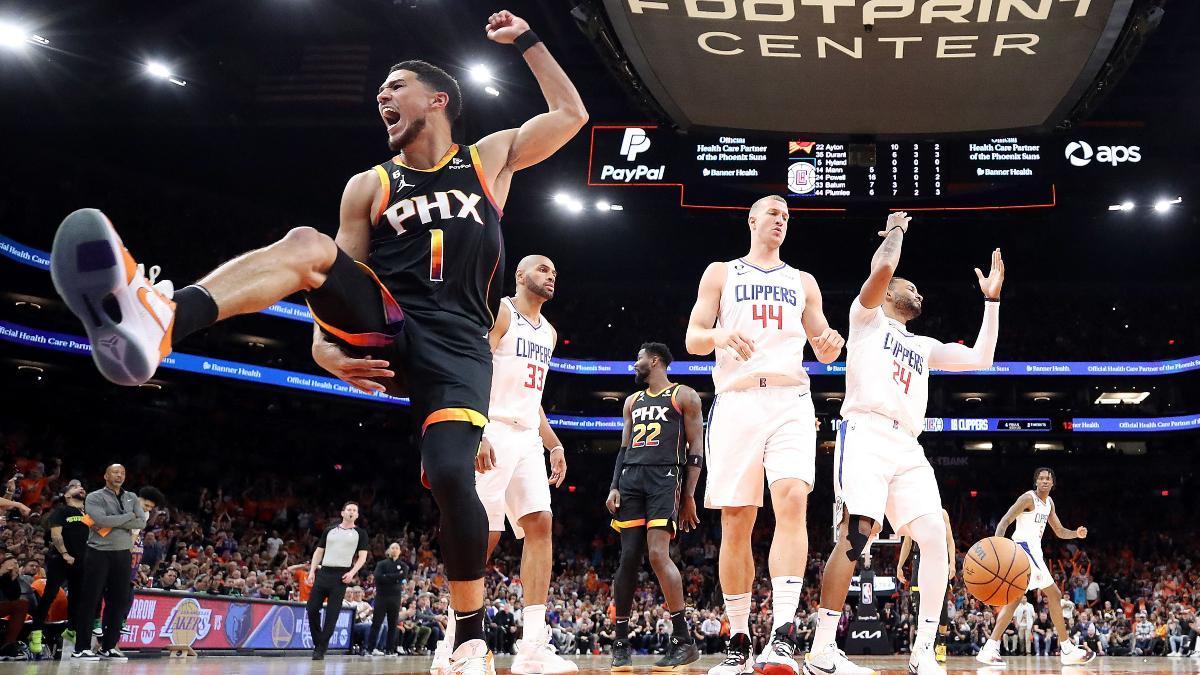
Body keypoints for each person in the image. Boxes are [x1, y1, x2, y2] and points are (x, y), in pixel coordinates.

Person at [49, 11, 586, 674]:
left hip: (459, 346)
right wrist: (323, 350)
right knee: (307, 243)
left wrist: (527, 41)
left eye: (396, 86)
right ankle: (157, 322)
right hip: (390, 323)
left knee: (452, 473)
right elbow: (329, 282)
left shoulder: (488, 159)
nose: (381, 96)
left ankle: (470, 635)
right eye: (380, 90)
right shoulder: (369, 184)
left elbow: (570, 112)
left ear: (438, 99)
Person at [803, 214, 1004, 675]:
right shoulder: (866, 318)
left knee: (934, 537)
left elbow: (981, 358)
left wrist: (991, 302)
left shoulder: (924, 344)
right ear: (891, 292)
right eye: (910, 288)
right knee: (858, 534)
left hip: (908, 445)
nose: (920, 294)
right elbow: (882, 271)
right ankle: (822, 650)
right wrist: (895, 231)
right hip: (866, 431)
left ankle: (923, 651)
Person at [684, 195, 845, 675]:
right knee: (737, 520)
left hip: (790, 399)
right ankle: (738, 639)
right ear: (751, 219)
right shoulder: (721, 272)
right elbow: (693, 338)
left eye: (787, 217)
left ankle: (783, 635)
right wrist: (718, 337)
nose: (781, 220)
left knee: (793, 500)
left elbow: (824, 350)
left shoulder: (803, 281)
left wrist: (831, 341)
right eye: (773, 213)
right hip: (735, 401)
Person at [437, 255, 575, 675]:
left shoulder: (549, 333)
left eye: (555, 271)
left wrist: (553, 443)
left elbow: (532, 401)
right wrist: (475, 428)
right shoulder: (501, 309)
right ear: (520, 275)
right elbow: (473, 366)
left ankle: (533, 644)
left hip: (527, 437)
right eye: (543, 269)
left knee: (540, 524)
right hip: (492, 428)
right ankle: (454, 641)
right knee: (485, 534)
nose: (551, 275)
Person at [606, 343, 705, 672]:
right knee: (628, 559)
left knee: (658, 555)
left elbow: (696, 449)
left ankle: (683, 641)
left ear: (656, 360)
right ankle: (620, 643)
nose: (635, 364)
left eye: (639, 358)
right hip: (632, 478)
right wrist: (614, 485)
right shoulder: (632, 402)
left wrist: (689, 494)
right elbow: (623, 447)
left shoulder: (684, 395)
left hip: (665, 477)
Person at [976, 468, 1094, 666]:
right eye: (1041, 478)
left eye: (1048, 478)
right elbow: (1005, 521)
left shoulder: (1049, 503)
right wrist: (997, 548)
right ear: (1036, 482)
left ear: (1053, 483)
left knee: (1013, 600)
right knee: (1055, 595)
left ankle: (990, 647)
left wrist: (1076, 533)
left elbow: (1059, 531)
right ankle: (1066, 648)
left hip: (1034, 552)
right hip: (1023, 549)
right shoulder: (1027, 498)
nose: (1044, 481)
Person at [72, 464, 148, 661]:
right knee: (90, 599)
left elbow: (142, 522)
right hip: (98, 552)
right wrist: (128, 517)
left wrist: (115, 520)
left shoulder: (131, 496)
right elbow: (100, 520)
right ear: (105, 475)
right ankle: (81, 648)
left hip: (123, 554)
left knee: (119, 601)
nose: (119, 475)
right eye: (115, 472)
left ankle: (108, 647)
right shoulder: (95, 496)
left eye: (123, 472)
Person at [29, 480, 90, 656]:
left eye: (82, 486)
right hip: (61, 559)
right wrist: (64, 554)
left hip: (81, 562)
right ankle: (36, 633)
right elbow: (56, 535)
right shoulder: (61, 511)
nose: (81, 488)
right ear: (67, 494)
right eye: (76, 487)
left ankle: (70, 630)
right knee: (49, 595)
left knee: (77, 599)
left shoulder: (86, 514)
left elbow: (102, 533)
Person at [307, 501, 369, 660]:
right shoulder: (329, 530)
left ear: (357, 515)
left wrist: (352, 572)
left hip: (341, 576)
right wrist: (312, 571)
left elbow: (363, 557)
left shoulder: (360, 533)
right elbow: (318, 552)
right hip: (324, 572)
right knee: (312, 608)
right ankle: (319, 642)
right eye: (349, 509)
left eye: (354, 510)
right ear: (342, 513)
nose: (351, 512)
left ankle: (320, 649)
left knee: (332, 614)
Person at [896, 509, 956, 664]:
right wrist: (900, 565)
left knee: (941, 603)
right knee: (918, 603)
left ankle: (941, 644)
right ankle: (924, 645)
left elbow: (950, 540)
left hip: (938, 558)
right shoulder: (913, 512)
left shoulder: (942, 513)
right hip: (919, 558)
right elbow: (908, 542)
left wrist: (953, 565)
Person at [368, 542, 409, 656]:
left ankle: (389, 650)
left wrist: (387, 576)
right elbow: (378, 577)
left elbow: (403, 576)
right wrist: (396, 577)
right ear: (388, 550)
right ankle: (370, 649)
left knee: (393, 624)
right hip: (381, 596)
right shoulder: (381, 564)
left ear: (400, 551)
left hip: (395, 597)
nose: (395, 550)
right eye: (392, 548)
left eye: (397, 548)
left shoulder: (404, 566)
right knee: (377, 623)